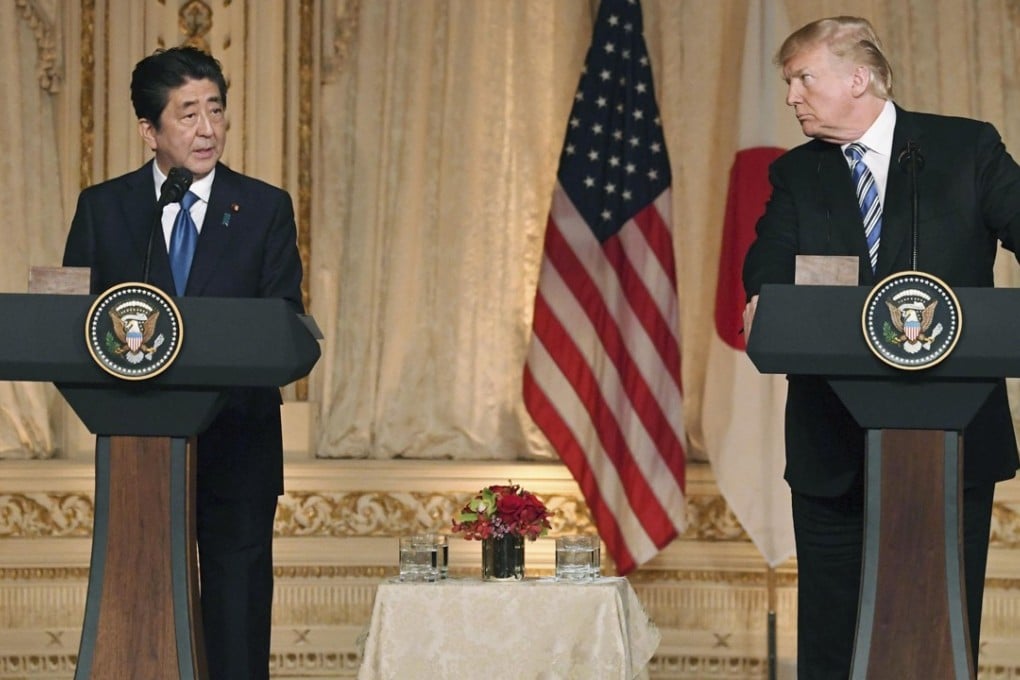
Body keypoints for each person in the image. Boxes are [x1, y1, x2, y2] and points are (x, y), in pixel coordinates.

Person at [741, 16, 1020, 678]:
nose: (792, 97)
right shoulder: (796, 175)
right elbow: (768, 271)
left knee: (941, 633)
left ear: (857, 77)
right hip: (832, 445)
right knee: (833, 644)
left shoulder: (964, 149)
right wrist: (764, 301)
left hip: (950, 446)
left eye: (803, 78)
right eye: (789, 83)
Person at [62, 46, 304, 680]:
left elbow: (283, 321)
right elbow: (69, 324)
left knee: (235, 616)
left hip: (238, 442)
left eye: (216, 110)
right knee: (141, 614)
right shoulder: (105, 209)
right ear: (150, 131)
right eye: (188, 114)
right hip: (141, 450)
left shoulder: (264, 208)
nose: (207, 129)